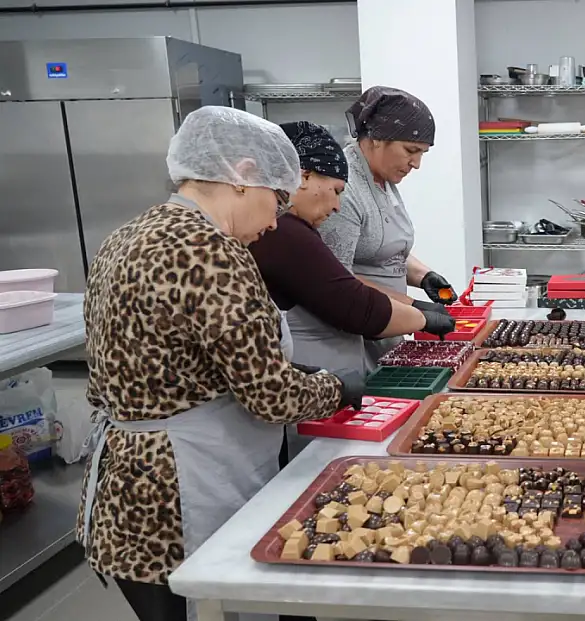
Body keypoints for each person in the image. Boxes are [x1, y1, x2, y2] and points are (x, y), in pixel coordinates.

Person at [76, 107, 367, 621]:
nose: (276, 220)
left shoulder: (126, 235)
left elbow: (183, 360)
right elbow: (269, 395)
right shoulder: (211, 250)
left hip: (122, 483)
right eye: (276, 200)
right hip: (183, 482)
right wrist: (335, 388)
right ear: (243, 175)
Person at [249, 121, 454, 375]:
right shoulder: (284, 232)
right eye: (335, 191)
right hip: (316, 385)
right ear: (303, 177)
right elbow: (352, 302)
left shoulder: (296, 228)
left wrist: (421, 277)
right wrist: (420, 315)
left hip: (331, 377)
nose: (337, 205)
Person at [319, 86, 456, 364]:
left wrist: (422, 275)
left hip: (389, 324)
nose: (416, 163)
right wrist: (413, 308)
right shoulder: (344, 188)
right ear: (378, 138)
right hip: (355, 333)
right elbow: (335, 279)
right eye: (410, 150)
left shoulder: (383, 180)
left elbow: (379, 246)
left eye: (422, 154)